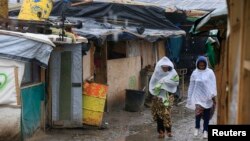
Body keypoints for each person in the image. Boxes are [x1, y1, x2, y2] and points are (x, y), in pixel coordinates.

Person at [186, 56, 217, 139]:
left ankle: (205, 131)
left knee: (207, 117)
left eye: (203, 65)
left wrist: (213, 95)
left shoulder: (210, 72)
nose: (202, 67)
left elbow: (213, 84)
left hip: (207, 99)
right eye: (200, 65)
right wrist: (189, 98)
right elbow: (191, 86)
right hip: (198, 98)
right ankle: (197, 127)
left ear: (206, 64)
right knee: (198, 114)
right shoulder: (194, 73)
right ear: (197, 64)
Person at [149, 57, 179, 138]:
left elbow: (176, 82)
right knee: (159, 115)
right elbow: (153, 84)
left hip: (168, 97)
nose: (165, 68)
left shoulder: (172, 73)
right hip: (158, 97)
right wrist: (158, 87)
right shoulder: (157, 73)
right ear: (160, 66)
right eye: (163, 67)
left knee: (167, 114)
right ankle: (161, 131)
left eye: (166, 67)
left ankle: (169, 131)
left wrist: (165, 81)